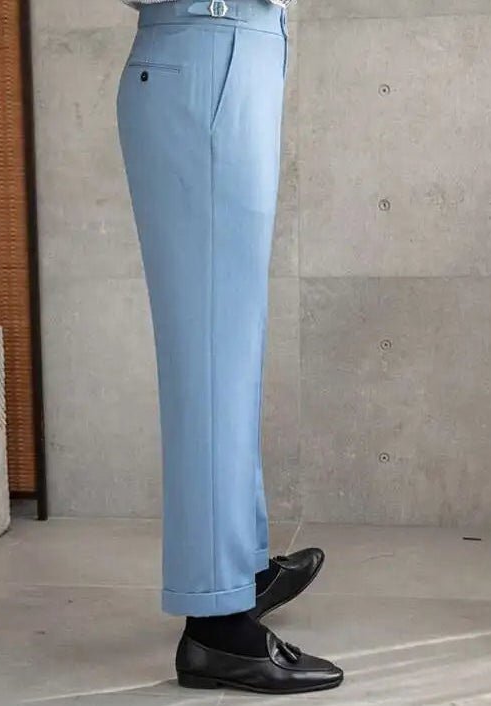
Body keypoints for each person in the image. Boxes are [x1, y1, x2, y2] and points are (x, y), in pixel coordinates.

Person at [116, 0, 343, 694]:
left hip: (235, 51)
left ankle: (238, 569)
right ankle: (218, 632)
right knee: (210, 358)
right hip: (207, 49)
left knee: (230, 348)